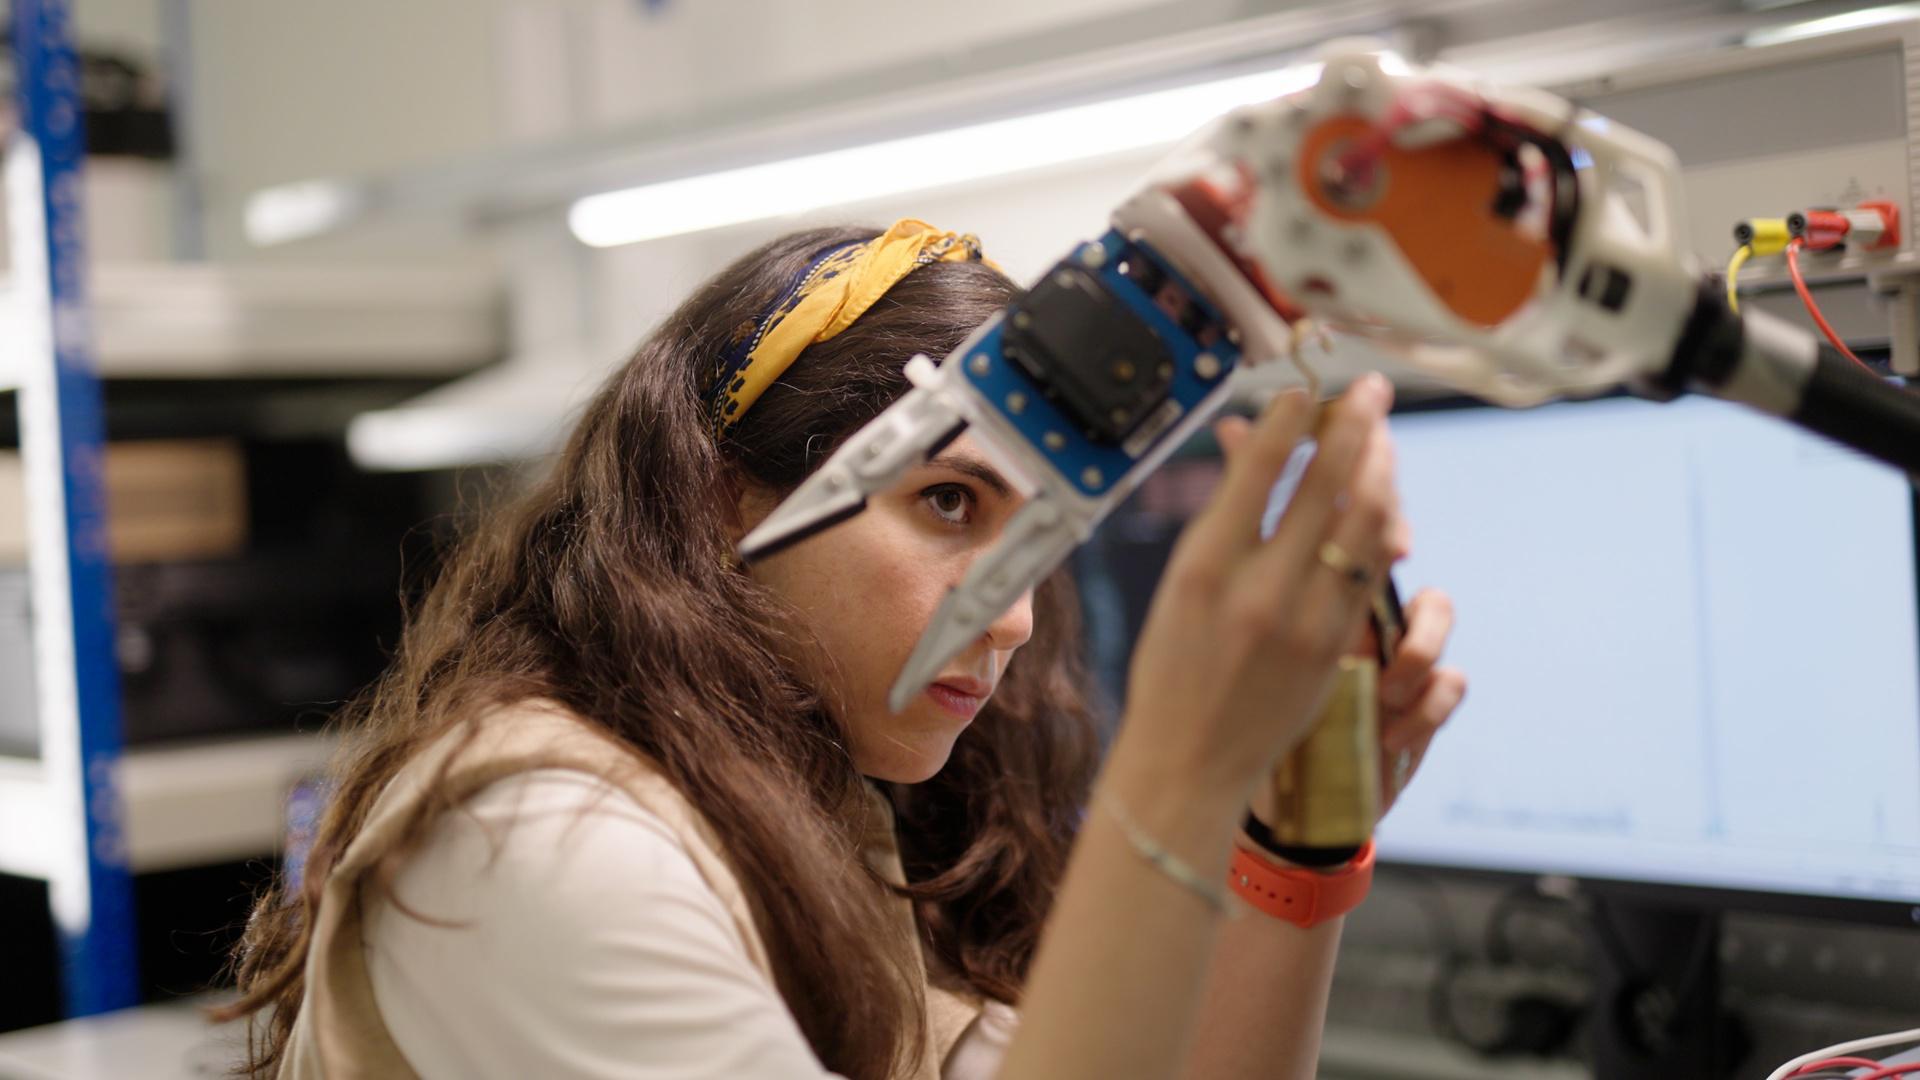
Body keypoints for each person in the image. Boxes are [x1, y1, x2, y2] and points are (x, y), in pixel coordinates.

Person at [221, 219, 1466, 1080]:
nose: (1017, 618)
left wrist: (1294, 828)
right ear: (722, 501)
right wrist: (1182, 767)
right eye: (948, 504)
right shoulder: (544, 841)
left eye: (1042, 544)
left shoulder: (830, 816)